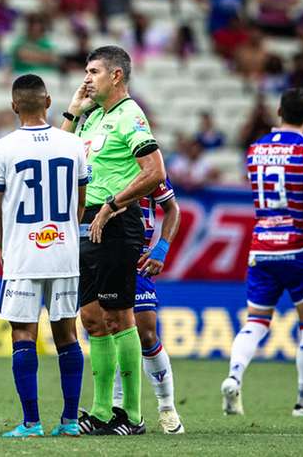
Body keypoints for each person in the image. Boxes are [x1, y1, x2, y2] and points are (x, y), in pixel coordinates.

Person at [61, 45, 167, 435]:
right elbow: (56, 151)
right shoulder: (90, 118)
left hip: (117, 223)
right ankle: (102, 410)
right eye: (86, 71)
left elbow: (155, 171)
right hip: (86, 223)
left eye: (93, 72)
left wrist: (111, 204)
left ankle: (133, 415)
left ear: (116, 76)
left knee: (119, 316)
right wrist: (73, 109)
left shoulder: (130, 116)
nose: (86, 78)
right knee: (91, 318)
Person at [221, 87, 303, 418]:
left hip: (261, 245)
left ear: (278, 111)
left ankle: (234, 375)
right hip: (300, 246)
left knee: (256, 321)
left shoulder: (255, 150)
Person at [0, 74, 88, 438]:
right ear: (48, 102)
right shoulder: (72, 144)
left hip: (23, 255)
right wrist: (67, 233)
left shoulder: (3, 148)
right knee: (67, 334)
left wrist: (2, 246)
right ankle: (70, 420)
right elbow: (82, 200)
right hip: (63, 252)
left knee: (23, 334)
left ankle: (31, 422)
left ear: (14, 106)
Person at [109, 171, 184, 434]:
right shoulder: (96, 160)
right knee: (111, 333)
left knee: (146, 334)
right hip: (102, 255)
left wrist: (162, 248)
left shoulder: (150, 169)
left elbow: (172, 209)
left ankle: (167, 409)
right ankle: (118, 410)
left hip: (137, 259)